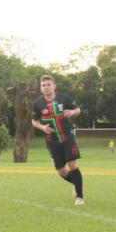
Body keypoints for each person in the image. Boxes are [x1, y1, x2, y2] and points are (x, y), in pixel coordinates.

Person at [31, 75, 85, 205]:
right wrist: (43, 127)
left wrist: (72, 113)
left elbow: (78, 109)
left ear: (54, 86)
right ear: (41, 88)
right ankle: (76, 183)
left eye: (48, 84)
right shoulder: (38, 104)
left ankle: (80, 197)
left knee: (73, 165)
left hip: (67, 136)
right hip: (52, 140)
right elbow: (34, 121)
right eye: (43, 85)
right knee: (61, 171)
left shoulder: (64, 98)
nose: (46, 87)